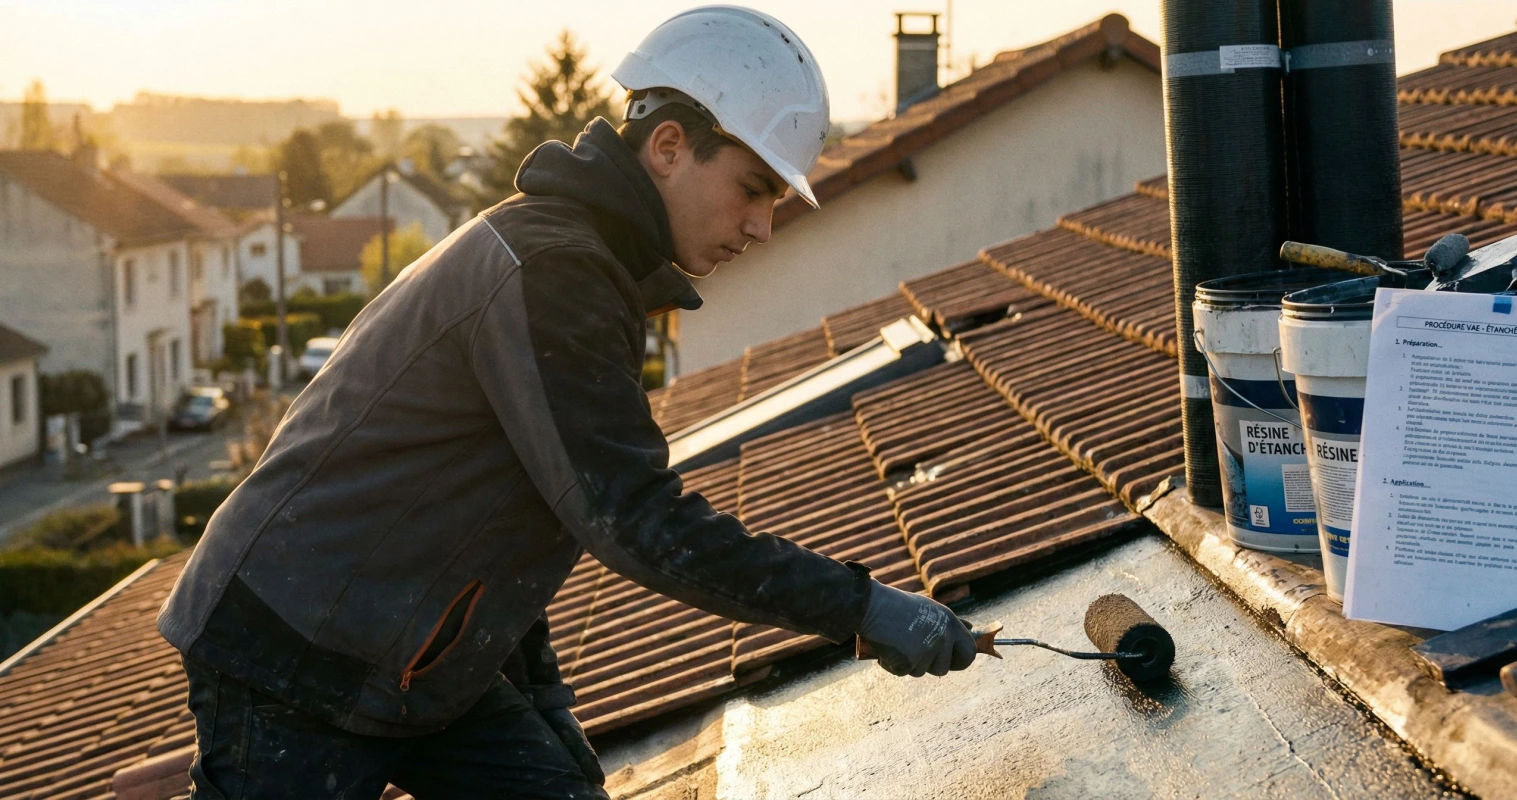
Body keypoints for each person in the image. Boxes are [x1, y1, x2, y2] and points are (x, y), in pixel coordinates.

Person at [157, 7, 977, 799]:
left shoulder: (589, 269)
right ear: (667, 147)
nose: (761, 226)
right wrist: (861, 608)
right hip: (293, 649)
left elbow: (511, 518)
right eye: (752, 189)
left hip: (417, 655)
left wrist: (546, 705)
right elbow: (635, 522)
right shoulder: (552, 271)